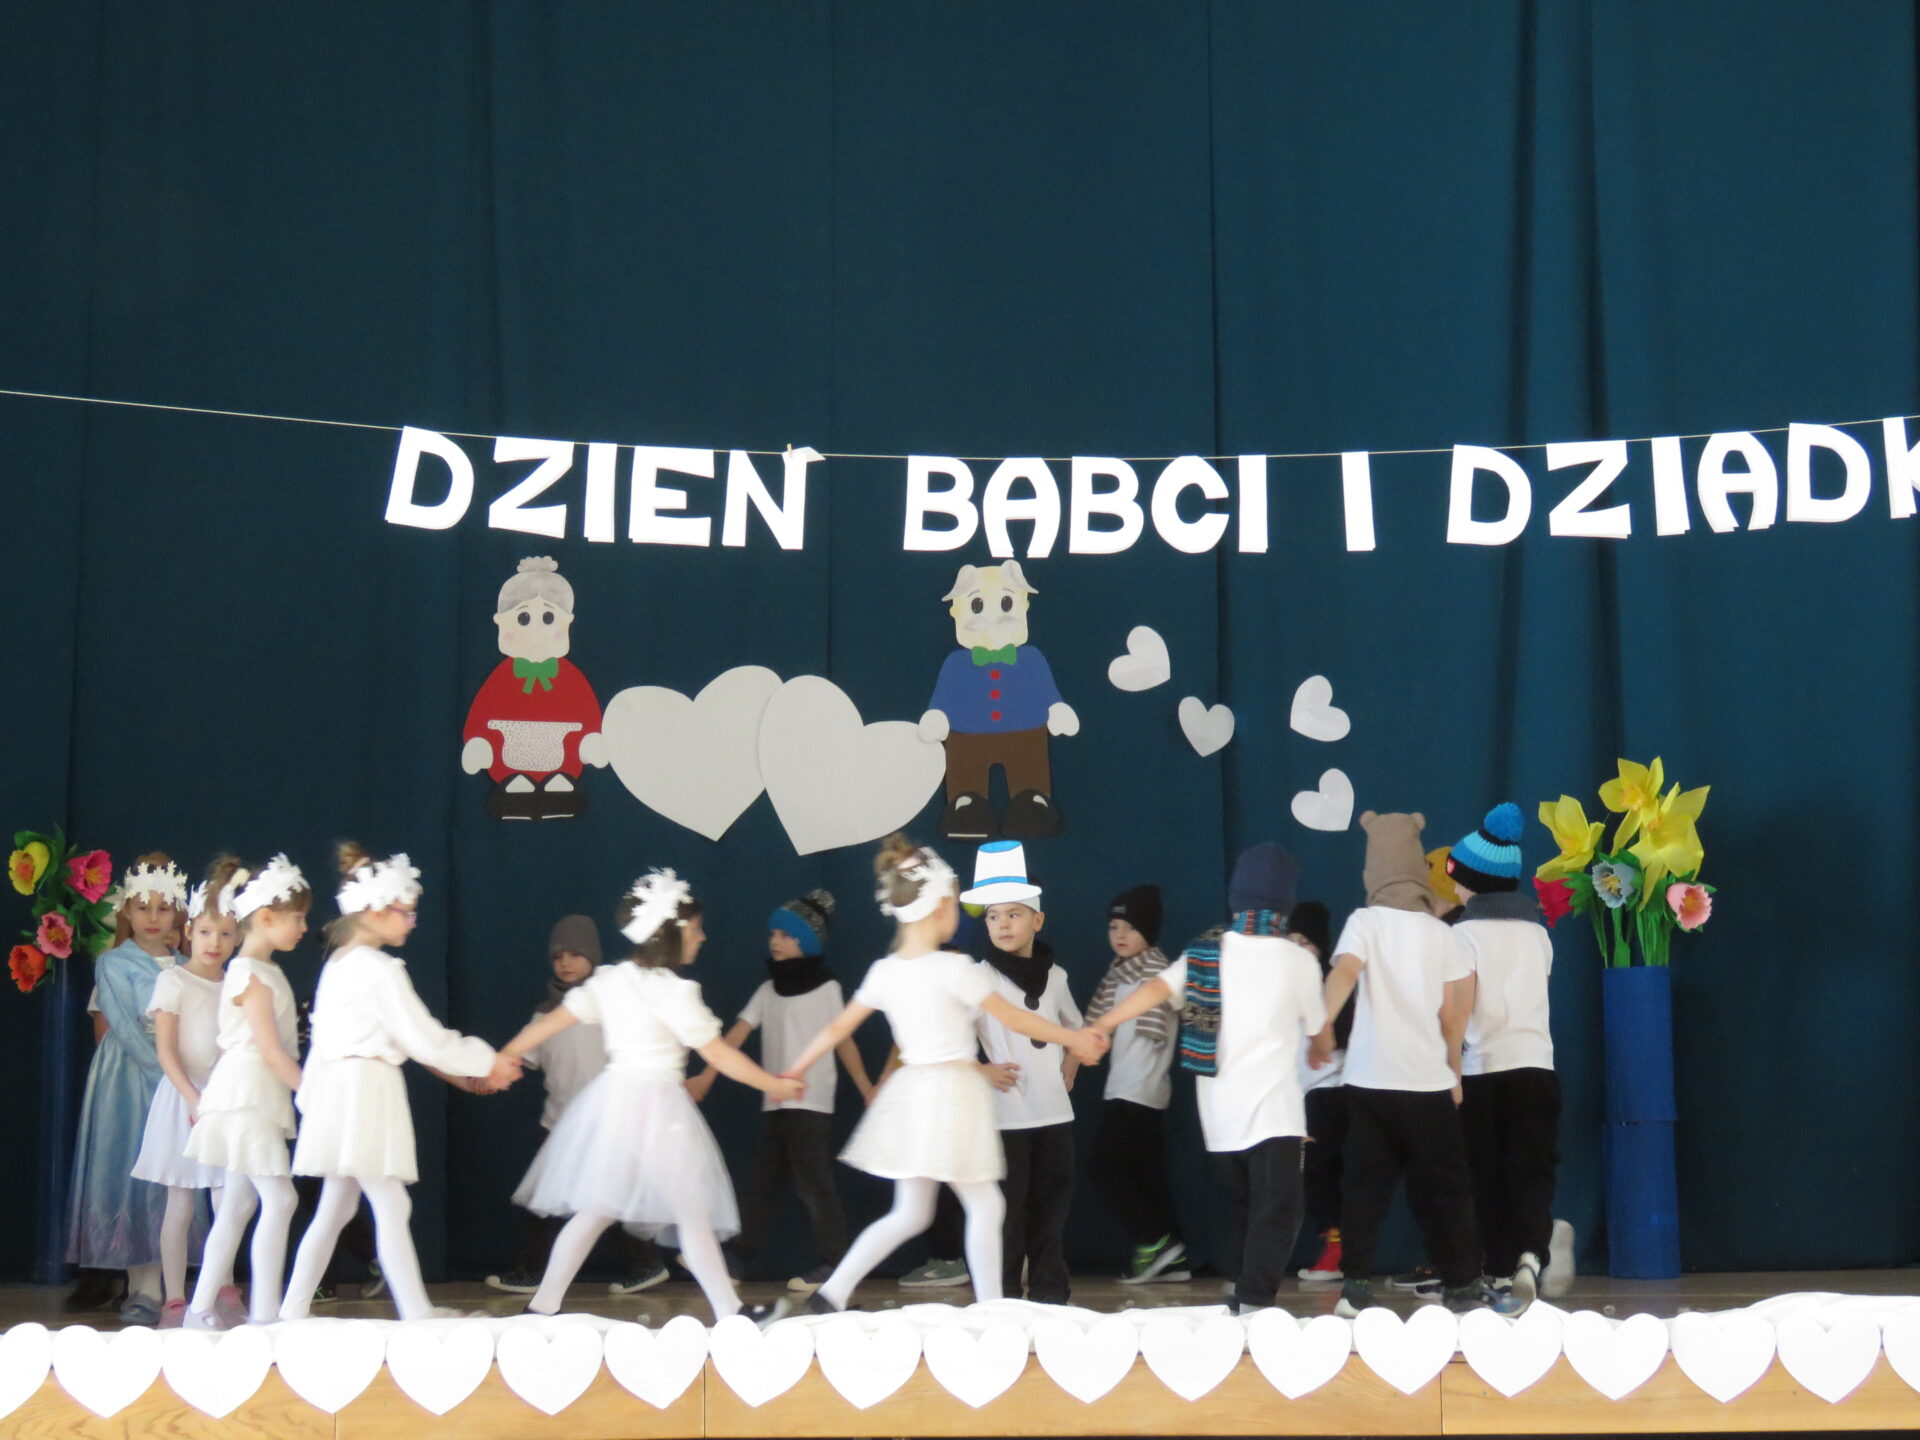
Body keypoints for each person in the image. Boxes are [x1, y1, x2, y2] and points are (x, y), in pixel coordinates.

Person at [779, 836, 1107, 1316]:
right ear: (940, 908)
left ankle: (833, 1292)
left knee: (911, 1212)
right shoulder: (954, 969)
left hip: (912, 1096)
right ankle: (992, 1309)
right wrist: (1073, 1038)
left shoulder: (885, 971)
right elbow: (1016, 1020)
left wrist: (794, 1069)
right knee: (986, 1207)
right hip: (951, 1096)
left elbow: (835, 1028)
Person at [505, 870, 799, 1324]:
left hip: (615, 1104)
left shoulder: (611, 981)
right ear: (673, 934)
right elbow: (719, 1054)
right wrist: (773, 1085)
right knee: (688, 1212)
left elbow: (549, 1023)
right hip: (657, 1108)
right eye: (696, 929)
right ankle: (731, 1309)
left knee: (598, 1210)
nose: (702, 937)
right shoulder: (675, 993)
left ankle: (542, 1305)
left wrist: (504, 1055)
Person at [278, 846, 518, 1322]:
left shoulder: (339, 964)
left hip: (341, 1091)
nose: (412, 922)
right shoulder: (376, 969)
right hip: (363, 1091)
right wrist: (488, 1061)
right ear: (375, 911)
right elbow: (424, 1037)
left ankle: (293, 1309)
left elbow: (404, 1041)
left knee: (336, 1208)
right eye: (406, 912)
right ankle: (415, 1312)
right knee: (389, 1202)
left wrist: (470, 1072)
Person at [1093, 844, 1324, 1315]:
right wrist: (1322, 1048)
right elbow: (1320, 1032)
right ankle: (1253, 1299)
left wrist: (1101, 1025)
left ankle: (1239, 1287)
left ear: (1235, 897)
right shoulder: (1298, 959)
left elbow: (1155, 989)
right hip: (1276, 1115)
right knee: (1278, 1209)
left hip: (1220, 1120)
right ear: (1286, 903)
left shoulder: (1204, 952)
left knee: (1242, 1205)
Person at [1311, 812, 1485, 1316]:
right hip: (1426, 1085)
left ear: (1374, 870)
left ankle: (1356, 1287)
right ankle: (1462, 1286)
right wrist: (1454, 1074)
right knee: (1446, 1188)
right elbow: (1454, 1015)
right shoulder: (1440, 933)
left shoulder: (1364, 922)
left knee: (1364, 1188)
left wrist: (1322, 1022)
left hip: (1368, 1082)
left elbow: (1344, 973)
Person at [689, 890, 874, 1293]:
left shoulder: (826, 988)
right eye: (773, 933)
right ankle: (738, 1258)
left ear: (806, 941)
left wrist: (865, 1086)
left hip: (811, 1101)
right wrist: (706, 1076)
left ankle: (835, 1263)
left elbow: (844, 1040)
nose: (775, 940)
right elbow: (736, 1035)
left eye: (786, 935)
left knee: (814, 1184)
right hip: (774, 1101)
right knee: (762, 1182)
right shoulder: (768, 990)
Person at [485, 914, 666, 1296]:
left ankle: (646, 1263)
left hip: (607, 1122)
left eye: (574, 955)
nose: (565, 963)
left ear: (593, 957)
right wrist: (491, 1074)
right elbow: (522, 1057)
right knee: (542, 1197)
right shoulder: (544, 1014)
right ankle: (533, 1270)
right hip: (559, 1123)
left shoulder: (610, 1007)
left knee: (609, 1198)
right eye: (558, 957)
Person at [1446, 804, 1571, 1312]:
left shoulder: (1463, 935)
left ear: (1473, 882)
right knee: (1533, 1168)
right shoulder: (1538, 934)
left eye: (1456, 877)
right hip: (1538, 1068)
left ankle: (1498, 1270)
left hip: (1485, 1072)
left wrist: (1451, 1072)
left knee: (1487, 1175)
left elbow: (1459, 1011)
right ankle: (1530, 1256)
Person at [183, 854, 312, 1327]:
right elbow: (270, 1051)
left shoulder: (262, 970)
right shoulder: (249, 973)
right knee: (281, 1200)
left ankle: (200, 1309)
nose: (304, 928)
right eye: (297, 918)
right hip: (247, 1095)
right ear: (267, 918)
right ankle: (263, 1315)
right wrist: (314, 1094)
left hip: (256, 1094)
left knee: (239, 1205)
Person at [67, 854, 189, 1324]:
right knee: (133, 1170)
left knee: (171, 1177)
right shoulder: (113, 963)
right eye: (143, 908)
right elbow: (120, 1023)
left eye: (163, 908)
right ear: (127, 911)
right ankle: (142, 1285)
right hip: (131, 1078)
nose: (153, 917)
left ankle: (168, 1285)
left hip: (177, 1077)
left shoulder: (187, 965)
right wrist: (169, 1079)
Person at [962, 842, 1082, 1305]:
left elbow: (1075, 1027)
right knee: (1007, 1214)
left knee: (1050, 1211)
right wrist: (982, 1069)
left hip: (1053, 1114)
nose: (1003, 924)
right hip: (1006, 1117)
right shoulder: (979, 978)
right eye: (993, 916)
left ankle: (1051, 1294)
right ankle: (1003, 1298)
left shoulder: (1057, 977)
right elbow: (953, 1039)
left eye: (1014, 914)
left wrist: (1070, 1064)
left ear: (1038, 920)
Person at [130, 860, 243, 1326]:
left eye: (226, 934)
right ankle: (175, 1298)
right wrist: (195, 1100)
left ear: (237, 938)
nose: (215, 943)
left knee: (227, 1199)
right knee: (179, 1204)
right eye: (206, 932)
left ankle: (222, 1287)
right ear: (190, 931)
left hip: (224, 1101)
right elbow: (167, 1052)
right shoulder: (173, 980)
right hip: (184, 1101)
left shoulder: (236, 984)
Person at [1084, 883, 1188, 1285]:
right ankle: (1173, 1256)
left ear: (1149, 929)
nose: (1120, 935)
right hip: (1123, 1089)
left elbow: (1198, 1012)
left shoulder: (1164, 975)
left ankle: (1153, 1240)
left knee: (1105, 1167)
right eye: (1114, 927)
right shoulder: (1116, 977)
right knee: (1147, 1176)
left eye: (1130, 926)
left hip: (1140, 1091)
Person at [1287, 900, 1349, 1281]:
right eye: (1291, 940)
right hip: (1304, 1094)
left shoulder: (1331, 983)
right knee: (1314, 1174)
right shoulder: (1285, 985)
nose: (1297, 949)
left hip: (1329, 1091)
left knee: (1319, 1171)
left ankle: (1337, 1250)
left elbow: (1338, 1036)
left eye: (1306, 942)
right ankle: (1335, 1247)